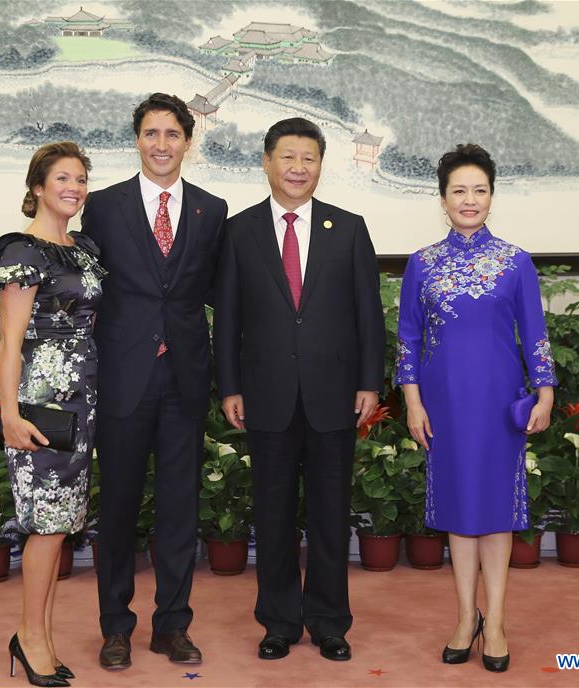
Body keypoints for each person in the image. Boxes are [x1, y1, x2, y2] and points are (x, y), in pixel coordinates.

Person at [214, 117, 385, 662]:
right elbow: (228, 319)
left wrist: (368, 383)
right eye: (287, 157)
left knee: (331, 515)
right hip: (266, 395)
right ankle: (280, 621)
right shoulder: (239, 232)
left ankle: (330, 621)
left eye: (308, 158)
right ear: (267, 162)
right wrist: (230, 386)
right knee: (273, 514)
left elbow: (368, 316)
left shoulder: (349, 228)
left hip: (335, 395)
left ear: (319, 165)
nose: (297, 168)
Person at [395, 144, 557, 673]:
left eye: (480, 190)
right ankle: (466, 617)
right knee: (459, 514)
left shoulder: (516, 262)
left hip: (498, 402)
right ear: (442, 199)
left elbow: (535, 334)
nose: (470, 200)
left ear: (492, 196)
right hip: (443, 405)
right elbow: (408, 340)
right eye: (459, 191)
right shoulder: (422, 263)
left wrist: (546, 391)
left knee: (497, 515)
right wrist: (413, 403)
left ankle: (499, 622)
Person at [82, 93, 228, 670]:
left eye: (172, 134)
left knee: (179, 509)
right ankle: (115, 627)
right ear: (136, 139)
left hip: (185, 379)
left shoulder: (211, 210)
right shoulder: (104, 207)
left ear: (188, 141)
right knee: (117, 507)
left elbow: (219, 294)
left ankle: (172, 625)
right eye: (151, 133)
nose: (161, 144)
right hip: (123, 376)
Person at [0, 141, 106, 687]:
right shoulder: (21, 250)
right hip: (41, 407)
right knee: (46, 527)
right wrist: (9, 413)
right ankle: (29, 638)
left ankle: (41, 637)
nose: (74, 188)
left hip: (83, 403)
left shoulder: (84, 250)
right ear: (37, 186)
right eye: (62, 178)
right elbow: (9, 341)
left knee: (59, 528)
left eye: (81, 179)